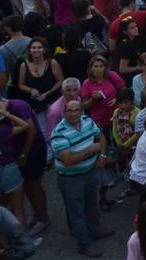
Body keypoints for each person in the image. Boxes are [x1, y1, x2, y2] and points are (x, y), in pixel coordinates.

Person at [50, 98, 114, 257]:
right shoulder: (59, 133)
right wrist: (91, 150)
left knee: (92, 205)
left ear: (82, 111)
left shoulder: (87, 121)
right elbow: (68, 161)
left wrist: (103, 155)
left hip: (90, 172)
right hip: (71, 179)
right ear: (63, 113)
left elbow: (102, 138)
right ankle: (84, 244)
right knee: (76, 212)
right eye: (69, 111)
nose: (73, 113)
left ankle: (94, 231)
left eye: (76, 110)